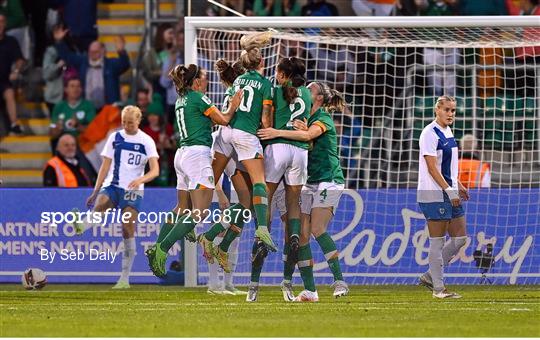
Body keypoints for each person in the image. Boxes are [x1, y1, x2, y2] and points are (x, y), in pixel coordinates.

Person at [196, 32, 277, 303]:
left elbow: (228, 110)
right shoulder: (265, 84)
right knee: (259, 184)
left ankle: (209, 237)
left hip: (223, 135)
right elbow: (264, 119)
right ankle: (262, 228)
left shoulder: (236, 80)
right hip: (243, 137)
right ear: (261, 62)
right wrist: (274, 131)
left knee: (238, 201)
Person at [145, 64, 243, 278]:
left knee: (181, 208)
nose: (207, 82)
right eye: (205, 79)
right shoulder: (199, 98)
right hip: (197, 156)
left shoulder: (181, 100)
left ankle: (157, 246)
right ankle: (163, 249)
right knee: (200, 212)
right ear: (196, 81)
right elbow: (224, 120)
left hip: (181, 155)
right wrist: (234, 104)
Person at [258, 82, 351, 301]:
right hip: (309, 183)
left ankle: (340, 281)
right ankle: (310, 290)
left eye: (309, 90)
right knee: (300, 236)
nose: (304, 93)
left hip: (329, 181)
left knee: (318, 228)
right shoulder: (304, 119)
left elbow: (308, 137)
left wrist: (275, 132)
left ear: (318, 98)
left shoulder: (323, 119)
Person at [74, 105, 160, 289]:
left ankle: (124, 278)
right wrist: (96, 190)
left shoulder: (146, 141)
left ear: (138, 121)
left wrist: (140, 179)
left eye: (130, 122)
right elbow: (105, 166)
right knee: (100, 205)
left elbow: (155, 170)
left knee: (127, 228)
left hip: (133, 190)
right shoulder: (115, 137)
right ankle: (82, 225)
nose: (127, 126)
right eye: (124, 122)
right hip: (113, 185)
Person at [257, 57, 313, 301]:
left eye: (277, 72)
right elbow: (305, 126)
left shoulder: (276, 89)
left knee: (265, 198)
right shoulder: (308, 94)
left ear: (282, 73)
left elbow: (266, 119)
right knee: (294, 205)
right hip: (300, 152)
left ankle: (263, 233)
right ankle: (293, 237)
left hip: (278, 146)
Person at [416, 95, 469, 299]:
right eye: (446, 110)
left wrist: (458, 184)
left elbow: (446, 165)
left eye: (453, 110)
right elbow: (431, 168)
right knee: (437, 241)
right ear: (437, 109)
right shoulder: (429, 133)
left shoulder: (447, 131)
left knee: (460, 239)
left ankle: (430, 276)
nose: (450, 114)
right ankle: (439, 289)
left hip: (449, 189)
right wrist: (449, 190)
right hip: (433, 192)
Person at [53, 25, 131, 110]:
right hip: (87, 109)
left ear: (103, 51)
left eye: (96, 52)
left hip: (108, 109)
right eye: (91, 52)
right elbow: (67, 56)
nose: (92, 54)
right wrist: (59, 41)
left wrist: (121, 51)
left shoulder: (111, 64)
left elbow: (125, 64)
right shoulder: (83, 62)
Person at [0, 13, 24, 135]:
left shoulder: (11, 41)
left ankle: (14, 124)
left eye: (2, 21)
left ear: (5, 24)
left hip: (4, 80)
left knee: (9, 94)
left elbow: (20, 60)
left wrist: (16, 71)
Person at [50, 77, 96, 142]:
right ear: (66, 89)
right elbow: (52, 133)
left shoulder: (88, 105)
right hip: (64, 142)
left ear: (81, 89)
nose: (75, 89)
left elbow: (94, 131)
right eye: (72, 86)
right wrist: (58, 129)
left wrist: (78, 126)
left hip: (83, 143)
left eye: (78, 86)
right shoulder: (59, 106)